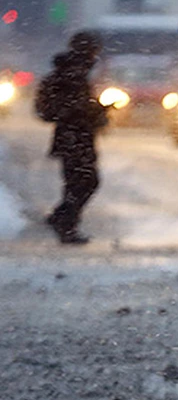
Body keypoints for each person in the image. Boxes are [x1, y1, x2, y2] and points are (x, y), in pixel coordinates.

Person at [43, 31, 107, 245]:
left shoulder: (74, 73)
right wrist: (88, 111)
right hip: (73, 136)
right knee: (83, 181)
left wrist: (95, 111)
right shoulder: (70, 74)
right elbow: (55, 109)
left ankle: (64, 220)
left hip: (77, 136)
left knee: (80, 182)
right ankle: (65, 222)